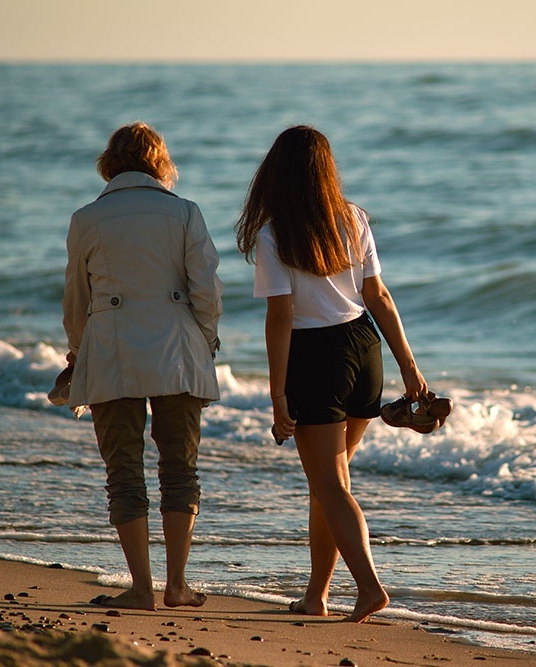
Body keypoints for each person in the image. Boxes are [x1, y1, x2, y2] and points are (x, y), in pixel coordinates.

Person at [236, 125, 427, 623]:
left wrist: (277, 397)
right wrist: (408, 366)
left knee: (329, 484)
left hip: (314, 356)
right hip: (364, 349)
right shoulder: (353, 218)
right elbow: (378, 296)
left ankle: (369, 587)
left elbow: (280, 317)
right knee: (330, 483)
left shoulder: (275, 234)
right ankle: (317, 596)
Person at [62, 121, 223, 611]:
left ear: (109, 163)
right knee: (180, 469)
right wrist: (207, 339)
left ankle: (141, 589)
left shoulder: (87, 219)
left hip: (112, 349)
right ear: (160, 164)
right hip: (178, 349)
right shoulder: (185, 212)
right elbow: (207, 290)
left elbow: (76, 299)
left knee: (124, 471)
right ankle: (176, 585)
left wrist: (77, 351)